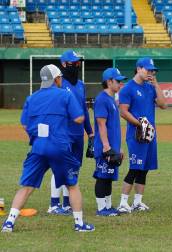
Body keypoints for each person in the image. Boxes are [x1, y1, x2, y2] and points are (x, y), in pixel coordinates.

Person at [1, 65, 94, 232]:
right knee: (72, 185)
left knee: (27, 186)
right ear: (57, 79)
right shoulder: (65, 95)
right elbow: (80, 118)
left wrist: (35, 134)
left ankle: (9, 222)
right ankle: (79, 224)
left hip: (38, 146)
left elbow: (24, 123)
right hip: (59, 146)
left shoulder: (32, 98)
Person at [117, 57, 167, 213]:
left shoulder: (150, 87)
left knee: (144, 168)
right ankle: (123, 202)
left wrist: (156, 84)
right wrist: (140, 124)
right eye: (148, 69)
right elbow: (123, 112)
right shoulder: (128, 88)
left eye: (153, 70)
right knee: (135, 167)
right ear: (138, 68)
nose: (150, 73)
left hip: (149, 134)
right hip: (136, 134)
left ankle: (137, 202)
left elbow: (163, 105)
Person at [47, 50, 94, 215]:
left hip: (77, 135)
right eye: (73, 63)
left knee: (74, 168)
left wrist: (90, 132)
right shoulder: (57, 84)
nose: (76, 65)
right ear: (64, 64)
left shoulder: (81, 85)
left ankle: (67, 203)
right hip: (62, 134)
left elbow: (84, 111)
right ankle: (54, 204)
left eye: (78, 63)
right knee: (59, 168)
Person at [93, 68, 127, 216]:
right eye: (118, 81)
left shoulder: (111, 99)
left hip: (112, 146)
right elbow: (101, 124)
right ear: (109, 82)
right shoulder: (102, 99)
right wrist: (106, 147)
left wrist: (118, 148)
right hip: (104, 147)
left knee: (109, 177)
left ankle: (108, 206)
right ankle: (101, 208)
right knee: (102, 176)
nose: (121, 83)